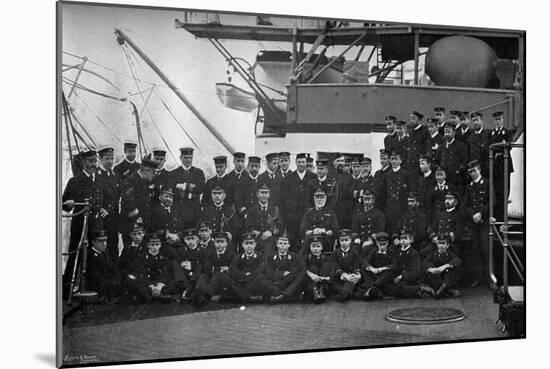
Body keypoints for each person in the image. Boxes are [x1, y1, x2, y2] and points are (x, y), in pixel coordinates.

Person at [62, 149, 107, 298]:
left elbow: (105, 200)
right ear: (83, 163)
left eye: (95, 161)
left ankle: (94, 287)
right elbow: (64, 204)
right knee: (75, 254)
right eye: (90, 161)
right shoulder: (74, 181)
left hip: (97, 225)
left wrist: (105, 210)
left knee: (96, 255)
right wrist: (69, 204)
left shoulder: (100, 180)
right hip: (80, 224)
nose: (93, 164)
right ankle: (67, 290)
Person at [462, 160, 493, 288]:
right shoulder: (469, 186)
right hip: (474, 224)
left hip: (484, 222)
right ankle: (478, 278)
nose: (472, 174)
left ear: (479, 169)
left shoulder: (487, 183)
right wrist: (473, 215)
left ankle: (491, 278)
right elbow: (465, 205)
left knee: (487, 250)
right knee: (475, 251)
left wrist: (481, 214)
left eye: (474, 170)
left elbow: (492, 202)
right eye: (470, 172)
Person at [229, 232, 283, 303]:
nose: (249, 246)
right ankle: (276, 293)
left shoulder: (260, 256)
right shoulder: (238, 257)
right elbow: (233, 270)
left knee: (261, 278)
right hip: (243, 283)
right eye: (246, 243)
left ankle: (274, 293)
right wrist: (244, 275)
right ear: (242, 245)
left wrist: (250, 276)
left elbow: (261, 270)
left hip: (255, 282)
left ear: (255, 244)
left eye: (251, 243)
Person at [280, 153, 316, 250]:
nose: (301, 164)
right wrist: (288, 214)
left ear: (306, 163)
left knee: (308, 241)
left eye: (303, 162)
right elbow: (284, 199)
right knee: (293, 242)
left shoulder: (313, 177)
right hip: (293, 217)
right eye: (299, 162)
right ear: (295, 163)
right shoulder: (288, 178)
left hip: (308, 215)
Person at [126, 233, 175, 303]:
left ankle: (153, 295)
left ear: (160, 245)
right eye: (152, 245)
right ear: (148, 245)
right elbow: (140, 273)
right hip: (147, 283)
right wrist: (151, 286)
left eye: (157, 245)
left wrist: (159, 286)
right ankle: (158, 296)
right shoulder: (141, 257)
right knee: (132, 280)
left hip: (159, 283)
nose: (155, 247)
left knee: (172, 281)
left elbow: (165, 274)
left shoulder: (164, 258)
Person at [192, 231, 237, 305]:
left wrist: (226, 269)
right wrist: (219, 269)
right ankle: (197, 294)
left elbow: (233, 270)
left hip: (224, 283)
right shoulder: (209, 253)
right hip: (211, 280)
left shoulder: (232, 255)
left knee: (219, 275)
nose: (219, 244)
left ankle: (206, 296)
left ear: (226, 243)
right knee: (203, 276)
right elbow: (207, 268)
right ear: (214, 243)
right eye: (217, 242)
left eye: (222, 242)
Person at [385, 229, 433, 298]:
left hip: (409, 280)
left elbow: (416, 273)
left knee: (399, 289)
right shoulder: (398, 252)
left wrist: (402, 276)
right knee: (387, 287)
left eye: (405, 238)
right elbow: (396, 266)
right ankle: (416, 291)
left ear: (410, 240)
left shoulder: (414, 254)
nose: (403, 240)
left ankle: (421, 289)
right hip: (399, 279)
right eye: (401, 238)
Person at [167, 147, 205, 229]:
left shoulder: (199, 173)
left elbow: (200, 189)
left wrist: (182, 186)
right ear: (180, 158)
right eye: (186, 157)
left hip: (194, 212)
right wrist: (191, 189)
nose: (188, 160)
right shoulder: (173, 174)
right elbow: (173, 192)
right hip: (178, 212)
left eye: (190, 157)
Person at [119, 157, 158, 237]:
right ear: (146, 170)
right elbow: (129, 204)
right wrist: (138, 219)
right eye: (153, 172)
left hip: (142, 225)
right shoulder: (130, 181)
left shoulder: (143, 181)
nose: (154, 175)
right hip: (133, 226)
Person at [244, 184, 283, 260]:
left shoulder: (274, 210)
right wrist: (260, 234)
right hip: (257, 240)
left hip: (271, 241)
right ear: (257, 194)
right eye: (262, 193)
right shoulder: (252, 210)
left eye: (266, 193)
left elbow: (280, 226)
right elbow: (248, 227)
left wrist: (271, 232)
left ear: (269, 195)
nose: (264, 195)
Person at [381, 151, 415, 233]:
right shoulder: (387, 175)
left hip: (401, 207)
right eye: (392, 159)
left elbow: (410, 191)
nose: (393, 161)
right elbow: (384, 193)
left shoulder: (406, 174)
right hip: (389, 207)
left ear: (400, 161)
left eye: (396, 159)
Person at [96, 146, 121, 260]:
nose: (110, 161)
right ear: (100, 159)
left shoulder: (115, 174)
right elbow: (97, 195)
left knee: (113, 243)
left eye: (112, 158)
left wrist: (110, 209)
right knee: (102, 245)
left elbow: (117, 195)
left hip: (113, 216)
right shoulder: (96, 175)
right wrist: (104, 209)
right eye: (107, 159)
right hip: (102, 216)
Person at [489, 111, 514, 221]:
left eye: (499, 119)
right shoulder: (492, 133)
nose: (497, 122)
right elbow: (489, 146)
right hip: (495, 166)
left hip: (504, 165)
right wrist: (500, 146)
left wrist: (498, 148)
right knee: (495, 194)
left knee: (504, 193)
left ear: (502, 120)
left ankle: (502, 221)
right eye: (496, 120)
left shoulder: (507, 132)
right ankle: (496, 220)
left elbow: (509, 146)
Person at [86, 229, 123, 303]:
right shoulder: (90, 255)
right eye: (100, 241)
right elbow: (95, 276)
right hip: (97, 285)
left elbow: (113, 268)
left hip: (106, 282)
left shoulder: (105, 253)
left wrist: (117, 278)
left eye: (105, 240)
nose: (104, 243)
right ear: (93, 242)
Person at [265, 234, 306, 301]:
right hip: (278, 283)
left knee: (302, 273)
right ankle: (286, 294)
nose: (283, 245)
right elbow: (269, 273)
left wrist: (291, 274)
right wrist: (283, 273)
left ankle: (284, 294)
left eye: (285, 243)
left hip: (291, 284)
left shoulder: (295, 256)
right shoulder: (271, 257)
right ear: (277, 245)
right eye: (280, 243)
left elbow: (302, 269)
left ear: (289, 245)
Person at [300, 188, 339, 253]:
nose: (319, 200)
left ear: (325, 199)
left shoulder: (330, 212)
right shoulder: (309, 213)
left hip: (325, 239)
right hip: (311, 239)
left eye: (322, 197)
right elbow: (302, 229)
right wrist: (312, 231)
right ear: (314, 199)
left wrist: (325, 231)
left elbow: (336, 229)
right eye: (317, 198)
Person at [426, 191, 464, 257]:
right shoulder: (440, 214)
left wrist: (443, 241)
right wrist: (434, 237)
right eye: (446, 199)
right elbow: (432, 229)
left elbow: (458, 234)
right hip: (436, 243)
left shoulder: (459, 215)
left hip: (450, 245)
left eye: (450, 199)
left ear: (456, 202)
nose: (447, 201)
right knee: (422, 253)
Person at [423, 233, 462, 298]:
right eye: (439, 243)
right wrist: (431, 269)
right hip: (437, 277)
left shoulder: (449, 253)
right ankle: (448, 291)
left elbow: (457, 260)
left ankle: (443, 288)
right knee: (431, 274)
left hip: (446, 278)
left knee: (450, 271)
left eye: (443, 243)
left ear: (447, 245)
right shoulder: (433, 254)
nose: (441, 245)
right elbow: (426, 262)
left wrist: (446, 266)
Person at [361, 232, 397, 300]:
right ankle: (374, 290)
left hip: (385, 280)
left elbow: (395, 265)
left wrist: (382, 269)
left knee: (390, 271)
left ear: (388, 243)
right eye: (380, 244)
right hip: (375, 277)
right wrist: (371, 268)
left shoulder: (391, 252)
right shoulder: (374, 252)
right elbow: (365, 261)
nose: (382, 247)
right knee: (365, 269)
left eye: (384, 244)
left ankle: (372, 288)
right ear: (377, 243)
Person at [434, 121, 468, 193]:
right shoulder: (441, 147)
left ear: (454, 133)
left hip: (456, 179)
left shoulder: (460, 146)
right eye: (445, 132)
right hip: (444, 180)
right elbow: (436, 161)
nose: (446, 134)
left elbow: (464, 161)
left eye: (449, 132)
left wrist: (458, 171)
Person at [351, 190, 385, 256]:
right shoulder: (357, 215)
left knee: (366, 250)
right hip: (359, 241)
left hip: (372, 243)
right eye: (365, 199)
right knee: (353, 250)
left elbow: (380, 231)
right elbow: (354, 229)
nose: (366, 202)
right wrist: (357, 239)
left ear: (373, 200)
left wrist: (370, 241)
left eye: (369, 199)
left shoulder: (379, 215)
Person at [331, 229, 363, 302]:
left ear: (350, 240)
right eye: (342, 240)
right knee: (334, 284)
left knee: (352, 281)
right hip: (340, 277)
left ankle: (344, 294)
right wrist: (344, 275)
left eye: (346, 240)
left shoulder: (355, 253)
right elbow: (335, 266)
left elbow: (356, 265)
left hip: (351, 276)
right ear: (339, 241)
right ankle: (347, 293)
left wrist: (356, 274)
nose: (344, 243)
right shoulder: (335, 253)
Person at [172, 228, 203, 300]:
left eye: (193, 238)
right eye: (188, 239)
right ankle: (183, 287)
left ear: (197, 239)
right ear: (184, 240)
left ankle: (189, 288)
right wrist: (181, 264)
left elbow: (204, 265)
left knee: (200, 266)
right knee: (174, 263)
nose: (191, 241)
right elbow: (175, 263)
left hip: (195, 278)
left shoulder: (202, 251)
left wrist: (192, 265)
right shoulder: (180, 251)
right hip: (183, 277)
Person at [301, 235, 332, 303]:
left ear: (322, 247)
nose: (315, 249)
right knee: (313, 268)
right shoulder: (306, 257)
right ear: (309, 247)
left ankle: (321, 291)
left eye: (318, 246)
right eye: (313, 246)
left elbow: (331, 271)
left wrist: (323, 278)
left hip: (324, 282)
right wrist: (312, 275)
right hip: (311, 283)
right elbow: (303, 268)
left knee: (326, 265)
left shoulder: (326, 258)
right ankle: (315, 292)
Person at [334, 155, 354, 228]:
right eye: (338, 161)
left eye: (342, 161)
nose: (340, 163)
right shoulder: (330, 177)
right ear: (334, 163)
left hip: (347, 211)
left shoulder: (350, 177)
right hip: (334, 210)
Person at [468, 112, 490, 177]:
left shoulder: (488, 134)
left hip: (485, 168)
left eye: (477, 120)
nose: (475, 122)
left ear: (482, 121)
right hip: (474, 169)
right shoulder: (470, 137)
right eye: (473, 121)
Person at [417, 154, 436, 222]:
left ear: (429, 164)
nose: (420, 166)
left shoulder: (434, 179)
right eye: (420, 164)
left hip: (431, 210)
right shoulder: (420, 179)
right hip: (422, 209)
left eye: (423, 164)